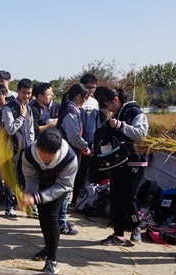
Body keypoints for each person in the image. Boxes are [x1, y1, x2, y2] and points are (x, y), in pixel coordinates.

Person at [21, 128, 77, 274]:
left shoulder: (70, 158)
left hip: (59, 187)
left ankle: (52, 261)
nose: (45, 157)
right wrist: (30, 194)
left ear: (57, 150)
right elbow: (30, 177)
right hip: (41, 183)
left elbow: (64, 185)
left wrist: (37, 197)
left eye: (50, 153)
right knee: (43, 216)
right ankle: (48, 246)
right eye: (42, 151)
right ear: (37, 146)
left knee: (52, 216)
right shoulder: (28, 154)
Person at [97, 88, 148, 245]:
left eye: (108, 105)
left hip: (135, 161)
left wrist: (121, 125)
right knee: (115, 199)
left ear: (116, 99)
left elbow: (141, 135)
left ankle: (136, 227)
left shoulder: (135, 111)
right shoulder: (116, 114)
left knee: (128, 199)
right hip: (118, 162)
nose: (108, 109)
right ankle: (118, 234)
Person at [56, 83, 91, 235]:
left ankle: (60, 219)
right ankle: (61, 222)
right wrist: (85, 147)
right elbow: (74, 136)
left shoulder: (73, 109)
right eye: (85, 98)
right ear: (78, 97)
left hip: (68, 154)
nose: (85, 101)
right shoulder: (70, 111)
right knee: (65, 188)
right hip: (66, 155)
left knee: (64, 189)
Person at [1, 78, 36, 219]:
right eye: (24, 93)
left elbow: (31, 129)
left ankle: (26, 206)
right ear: (18, 91)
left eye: (29, 93)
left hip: (26, 150)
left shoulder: (29, 108)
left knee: (26, 179)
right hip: (11, 150)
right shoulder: (9, 108)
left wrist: (32, 145)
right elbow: (10, 130)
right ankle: (9, 207)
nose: (26, 96)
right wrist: (21, 117)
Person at [71, 74, 101, 205]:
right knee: (73, 170)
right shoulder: (77, 101)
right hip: (77, 141)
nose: (91, 90)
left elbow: (97, 123)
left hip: (91, 141)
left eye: (93, 88)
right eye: (88, 87)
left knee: (84, 172)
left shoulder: (95, 102)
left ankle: (78, 199)